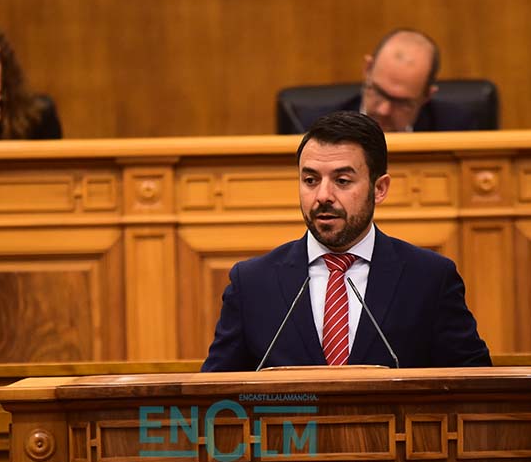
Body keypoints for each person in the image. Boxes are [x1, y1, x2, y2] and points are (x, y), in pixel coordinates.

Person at [201, 111, 491, 371]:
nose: (323, 196)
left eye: (342, 181)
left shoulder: (429, 279)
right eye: (311, 180)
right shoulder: (252, 283)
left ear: (379, 188)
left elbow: (476, 388)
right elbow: (213, 398)